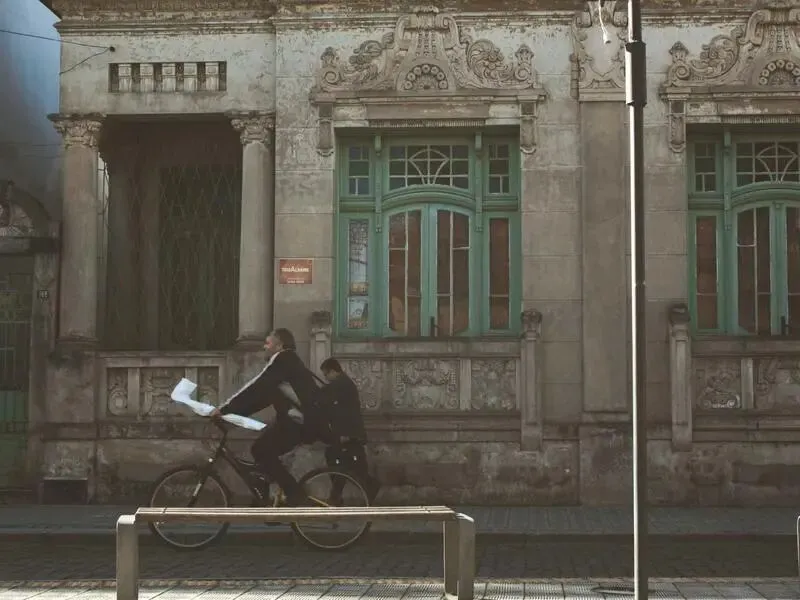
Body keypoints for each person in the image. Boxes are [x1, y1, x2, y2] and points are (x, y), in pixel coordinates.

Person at [211, 328, 320, 506]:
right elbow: (261, 400)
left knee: (262, 450)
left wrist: (223, 410)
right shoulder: (287, 364)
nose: (264, 347)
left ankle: (295, 495)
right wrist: (231, 416)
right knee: (262, 451)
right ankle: (266, 496)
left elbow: (256, 387)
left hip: (300, 422)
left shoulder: (283, 359)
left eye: (268, 343)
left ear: (279, 345)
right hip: (297, 422)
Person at [318, 357, 380, 503]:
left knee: (339, 461)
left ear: (333, 371)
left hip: (348, 434)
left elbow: (325, 399)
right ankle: (337, 495)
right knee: (347, 464)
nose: (326, 378)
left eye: (326, 374)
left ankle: (338, 496)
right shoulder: (343, 383)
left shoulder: (341, 384)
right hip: (350, 434)